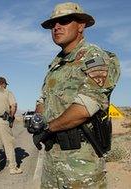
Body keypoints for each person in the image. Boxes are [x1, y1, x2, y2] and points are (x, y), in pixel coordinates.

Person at [33, 2, 121, 188]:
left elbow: (85, 107)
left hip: (81, 165)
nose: (56, 27)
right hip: (52, 162)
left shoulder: (94, 57)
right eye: (52, 24)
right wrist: (38, 120)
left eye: (63, 21)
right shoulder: (56, 65)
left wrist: (48, 128)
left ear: (81, 25)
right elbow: (43, 99)